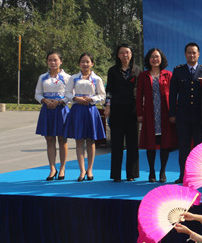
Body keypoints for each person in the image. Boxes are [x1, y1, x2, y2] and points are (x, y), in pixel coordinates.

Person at [169, 42, 202, 184]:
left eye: (194, 52)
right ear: (185, 54)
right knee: (183, 148)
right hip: (183, 117)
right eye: (189, 52)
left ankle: (199, 176)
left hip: (199, 118)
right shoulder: (178, 71)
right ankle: (183, 175)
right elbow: (173, 94)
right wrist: (172, 113)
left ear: (198, 54)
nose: (191, 55)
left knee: (199, 149)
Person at [136, 48, 177, 183]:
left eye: (157, 56)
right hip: (150, 114)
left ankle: (162, 171)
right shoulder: (143, 75)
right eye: (152, 57)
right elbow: (139, 96)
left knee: (165, 143)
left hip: (165, 114)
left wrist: (173, 112)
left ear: (161, 59)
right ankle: (152, 171)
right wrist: (140, 113)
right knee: (151, 144)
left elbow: (173, 96)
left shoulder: (168, 75)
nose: (155, 59)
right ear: (148, 59)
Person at [64, 53, 106, 181]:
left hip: (90, 110)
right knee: (79, 140)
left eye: (87, 61)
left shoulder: (97, 79)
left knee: (90, 140)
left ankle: (90, 169)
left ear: (92, 63)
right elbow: (67, 92)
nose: (85, 64)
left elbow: (102, 95)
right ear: (79, 64)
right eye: (82, 61)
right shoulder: (73, 78)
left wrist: (92, 99)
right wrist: (75, 98)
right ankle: (82, 170)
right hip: (77, 110)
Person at [105, 44, 140, 182]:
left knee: (132, 143)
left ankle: (131, 174)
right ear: (118, 55)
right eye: (122, 53)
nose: (125, 55)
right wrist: (108, 106)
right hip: (116, 109)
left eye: (127, 52)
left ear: (131, 54)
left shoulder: (138, 70)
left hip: (133, 110)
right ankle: (116, 174)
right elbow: (109, 90)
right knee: (116, 142)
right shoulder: (112, 71)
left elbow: (141, 91)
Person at [35, 51, 70, 181]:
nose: (53, 62)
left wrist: (60, 101)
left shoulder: (67, 77)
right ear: (47, 62)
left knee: (62, 139)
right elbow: (37, 94)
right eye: (50, 60)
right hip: (47, 110)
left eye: (55, 60)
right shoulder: (42, 77)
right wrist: (44, 100)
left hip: (61, 110)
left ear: (61, 61)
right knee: (49, 139)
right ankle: (52, 168)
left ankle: (62, 168)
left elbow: (70, 94)